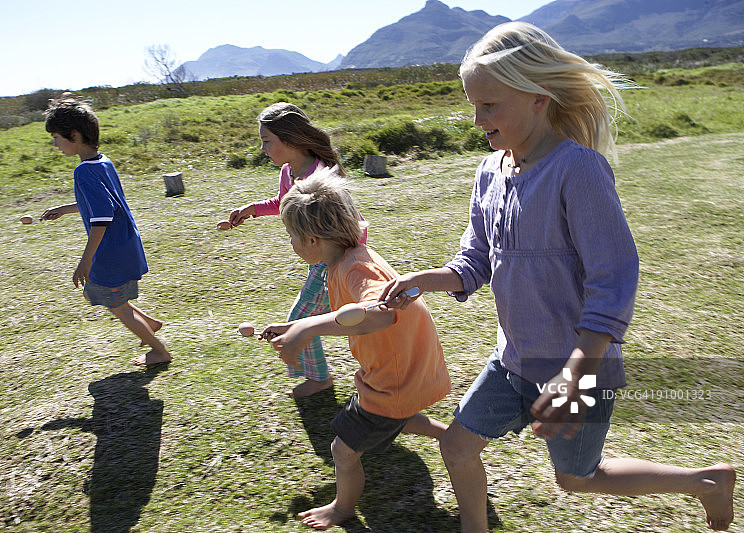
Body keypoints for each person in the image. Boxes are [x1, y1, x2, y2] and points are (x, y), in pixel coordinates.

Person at [380, 22, 735, 532]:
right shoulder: (489, 172)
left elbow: (613, 279)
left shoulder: (579, 170)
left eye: (490, 105)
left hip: (579, 369)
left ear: (538, 97)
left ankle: (706, 481)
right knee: (458, 444)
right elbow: (475, 260)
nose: (477, 119)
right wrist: (422, 280)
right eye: (472, 104)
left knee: (578, 478)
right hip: (512, 360)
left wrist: (575, 373)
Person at [261, 171, 450, 530]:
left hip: (392, 378)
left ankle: (342, 509)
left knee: (343, 450)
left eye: (292, 237)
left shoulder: (354, 268)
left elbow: (380, 313)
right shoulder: (351, 257)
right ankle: (449, 436)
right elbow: (349, 316)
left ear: (312, 240)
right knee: (392, 417)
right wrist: (294, 326)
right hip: (403, 371)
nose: (291, 244)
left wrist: (308, 327)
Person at [224, 102, 366, 398]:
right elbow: (284, 202)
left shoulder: (322, 174)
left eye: (266, 141)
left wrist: (341, 263)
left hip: (337, 259)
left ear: (289, 141)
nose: (262, 148)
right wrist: (251, 209)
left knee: (302, 319)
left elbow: (352, 222)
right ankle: (330, 374)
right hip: (323, 260)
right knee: (326, 318)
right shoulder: (289, 170)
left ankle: (320, 379)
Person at [40, 94, 171, 366]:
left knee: (115, 304)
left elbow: (102, 217)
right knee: (105, 295)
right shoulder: (102, 162)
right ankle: (150, 323)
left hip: (110, 251)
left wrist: (85, 260)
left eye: (56, 137)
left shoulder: (84, 172)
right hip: (124, 244)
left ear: (74, 135)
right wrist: (64, 209)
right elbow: (104, 204)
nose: (55, 144)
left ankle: (159, 351)